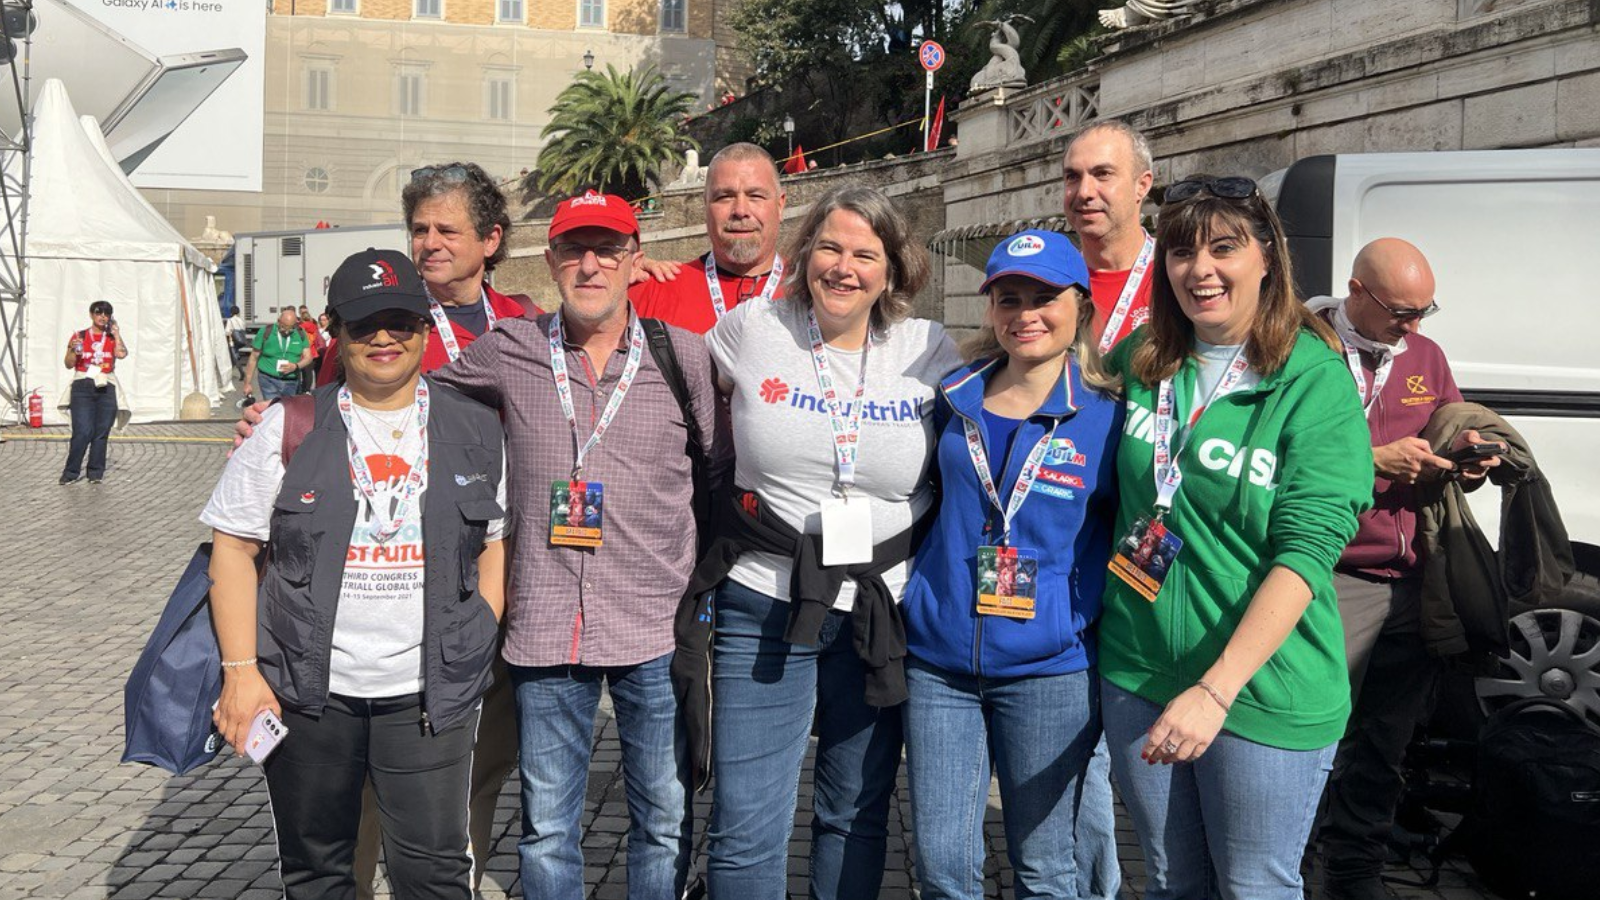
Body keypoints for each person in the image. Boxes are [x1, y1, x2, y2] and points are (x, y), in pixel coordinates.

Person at [432, 191, 727, 900]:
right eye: (573, 250)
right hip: (544, 625)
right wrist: (291, 416)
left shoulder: (682, 355)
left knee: (664, 821)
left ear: (635, 259)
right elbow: (410, 401)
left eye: (607, 249)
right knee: (547, 828)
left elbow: (721, 466)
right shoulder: (509, 349)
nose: (589, 265)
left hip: (654, 625)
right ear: (551, 260)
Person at [682, 184, 963, 900]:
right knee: (747, 824)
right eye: (830, 248)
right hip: (765, 600)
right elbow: (672, 383)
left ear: (893, 268)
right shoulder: (752, 328)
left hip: (881, 609)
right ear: (805, 252)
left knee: (856, 814)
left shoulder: (927, 347)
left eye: (865, 254)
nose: (843, 268)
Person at [1097, 175, 1373, 899]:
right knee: (1170, 880)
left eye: (1224, 248)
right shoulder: (1142, 358)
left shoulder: (1314, 380)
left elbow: (1306, 553)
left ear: (1266, 257)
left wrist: (1215, 692)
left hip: (1260, 687)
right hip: (1138, 670)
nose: (1201, 270)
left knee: (1253, 886)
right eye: (1182, 252)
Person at [204, 248, 509, 900]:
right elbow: (231, 548)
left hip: (429, 695)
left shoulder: (478, 429)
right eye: (364, 323)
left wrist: (477, 632)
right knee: (317, 872)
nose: (383, 338)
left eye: (400, 321)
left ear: (424, 327)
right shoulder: (286, 427)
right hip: (308, 694)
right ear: (336, 332)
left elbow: (494, 544)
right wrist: (241, 673)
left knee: (434, 874)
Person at [899, 230, 1123, 899]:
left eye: (1044, 297)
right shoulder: (952, 397)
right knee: (942, 868)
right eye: (1009, 298)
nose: (1026, 314)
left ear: (1080, 306)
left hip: (1049, 670)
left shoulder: (1108, 417)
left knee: (1046, 869)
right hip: (939, 664)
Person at [1309, 239, 1502, 900]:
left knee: (1384, 747)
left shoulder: (1425, 354)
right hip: (1330, 575)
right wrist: (1373, 460)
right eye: (1400, 311)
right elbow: (1281, 454)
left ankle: (1353, 875)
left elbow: (1447, 432)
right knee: (1311, 738)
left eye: (1425, 311)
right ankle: (1281, 868)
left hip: (1415, 581)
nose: (1413, 326)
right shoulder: (1303, 347)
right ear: (1355, 291)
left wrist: (1469, 458)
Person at [1062, 115, 1157, 900]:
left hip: (1156, 540)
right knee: (1074, 745)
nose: (1085, 191)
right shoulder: (1051, 274)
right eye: (1073, 177)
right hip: (1066, 534)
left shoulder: (1183, 279)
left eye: (1103, 174)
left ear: (1142, 186)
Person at [317, 161, 527, 385]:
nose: (430, 243)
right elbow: (327, 403)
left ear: (490, 240)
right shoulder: (368, 331)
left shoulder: (525, 323)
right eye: (420, 230)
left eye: (447, 231)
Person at [630, 143, 787, 333]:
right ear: (705, 205)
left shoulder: (810, 290)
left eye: (755, 196)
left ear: (780, 206)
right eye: (724, 197)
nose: (740, 211)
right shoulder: (652, 291)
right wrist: (616, 275)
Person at [60, 300, 127, 485]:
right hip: (83, 384)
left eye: (106, 313)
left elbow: (121, 354)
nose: (102, 317)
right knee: (82, 431)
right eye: (98, 313)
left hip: (106, 384)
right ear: (91, 314)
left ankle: (95, 473)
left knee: (101, 431)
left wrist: (117, 334)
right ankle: (71, 472)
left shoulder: (112, 337)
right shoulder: (80, 335)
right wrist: (73, 350)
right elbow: (68, 364)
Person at [246, 308, 312, 401]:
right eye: (284, 327)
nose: (286, 331)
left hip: (291, 381)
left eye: (290, 328)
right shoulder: (266, 331)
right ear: (278, 321)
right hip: (268, 379)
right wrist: (247, 383)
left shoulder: (300, 333)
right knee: (273, 406)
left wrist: (295, 366)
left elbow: (308, 357)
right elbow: (253, 357)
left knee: (288, 408)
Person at [298, 304, 324, 392]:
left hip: (304, 353)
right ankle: (311, 390)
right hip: (314, 353)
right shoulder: (315, 327)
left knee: (304, 373)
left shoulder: (300, 328)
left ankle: (304, 389)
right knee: (311, 374)